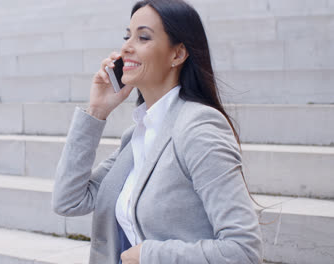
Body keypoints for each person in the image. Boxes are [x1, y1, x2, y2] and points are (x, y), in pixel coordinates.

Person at [52, 0, 262, 263]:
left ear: (177, 54)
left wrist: (150, 255)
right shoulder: (138, 134)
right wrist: (96, 111)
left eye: (143, 37)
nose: (126, 46)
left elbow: (243, 251)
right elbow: (69, 200)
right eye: (127, 36)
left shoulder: (199, 128)